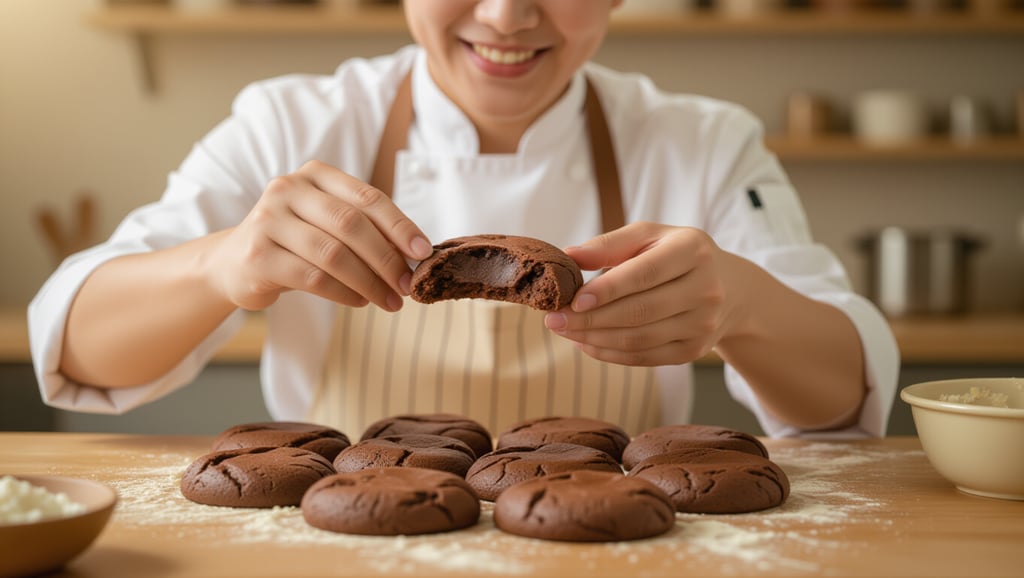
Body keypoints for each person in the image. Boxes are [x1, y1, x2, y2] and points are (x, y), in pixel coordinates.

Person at [29, 0, 898, 439]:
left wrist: (746, 309)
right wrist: (222, 266)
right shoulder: (289, 126)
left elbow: (841, 403)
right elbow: (74, 344)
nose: (507, 16)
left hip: (619, 547)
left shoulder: (702, 143)